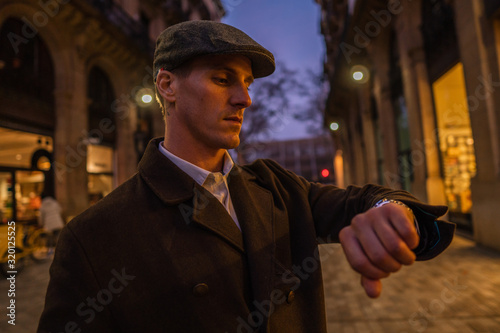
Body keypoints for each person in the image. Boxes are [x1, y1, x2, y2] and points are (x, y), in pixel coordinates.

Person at [37, 21, 455, 333]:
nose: (245, 99)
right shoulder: (95, 235)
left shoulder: (279, 189)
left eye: (247, 82)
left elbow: (365, 200)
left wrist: (391, 212)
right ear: (167, 85)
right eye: (222, 79)